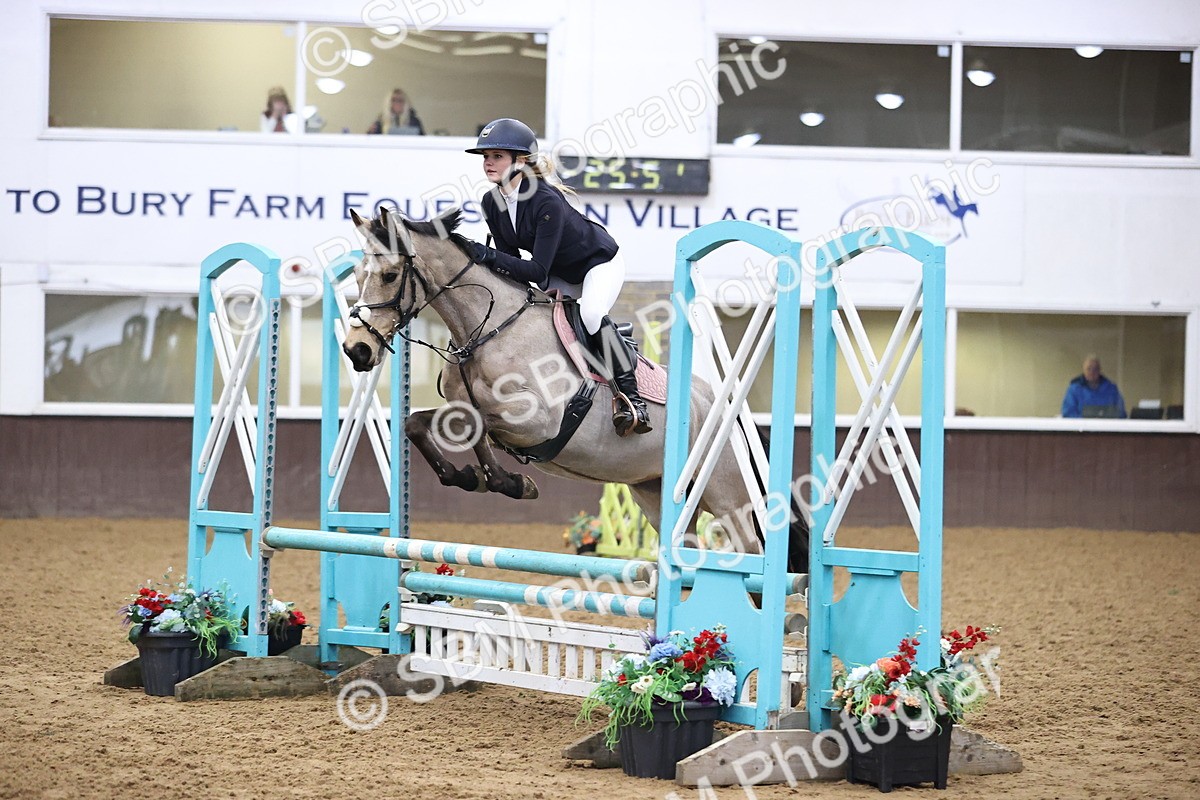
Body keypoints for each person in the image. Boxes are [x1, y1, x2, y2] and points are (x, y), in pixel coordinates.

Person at [464, 117, 651, 436]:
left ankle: (633, 401)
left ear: (520, 161)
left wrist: (488, 255)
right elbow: (511, 262)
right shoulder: (491, 202)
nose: (488, 163)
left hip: (597, 263)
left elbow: (535, 270)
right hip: (558, 274)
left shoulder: (545, 200)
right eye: (486, 157)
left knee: (592, 314)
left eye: (497, 156)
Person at [1061, 356, 1126, 418]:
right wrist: (1087, 423)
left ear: (1100, 370)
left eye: (1095, 369)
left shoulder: (1112, 389)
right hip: (1081, 428)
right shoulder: (1074, 390)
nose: (1092, 372)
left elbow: (1121, 413)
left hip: (1107, 428)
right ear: (1083, 370)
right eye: (1089, 369)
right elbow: (1068, 413)